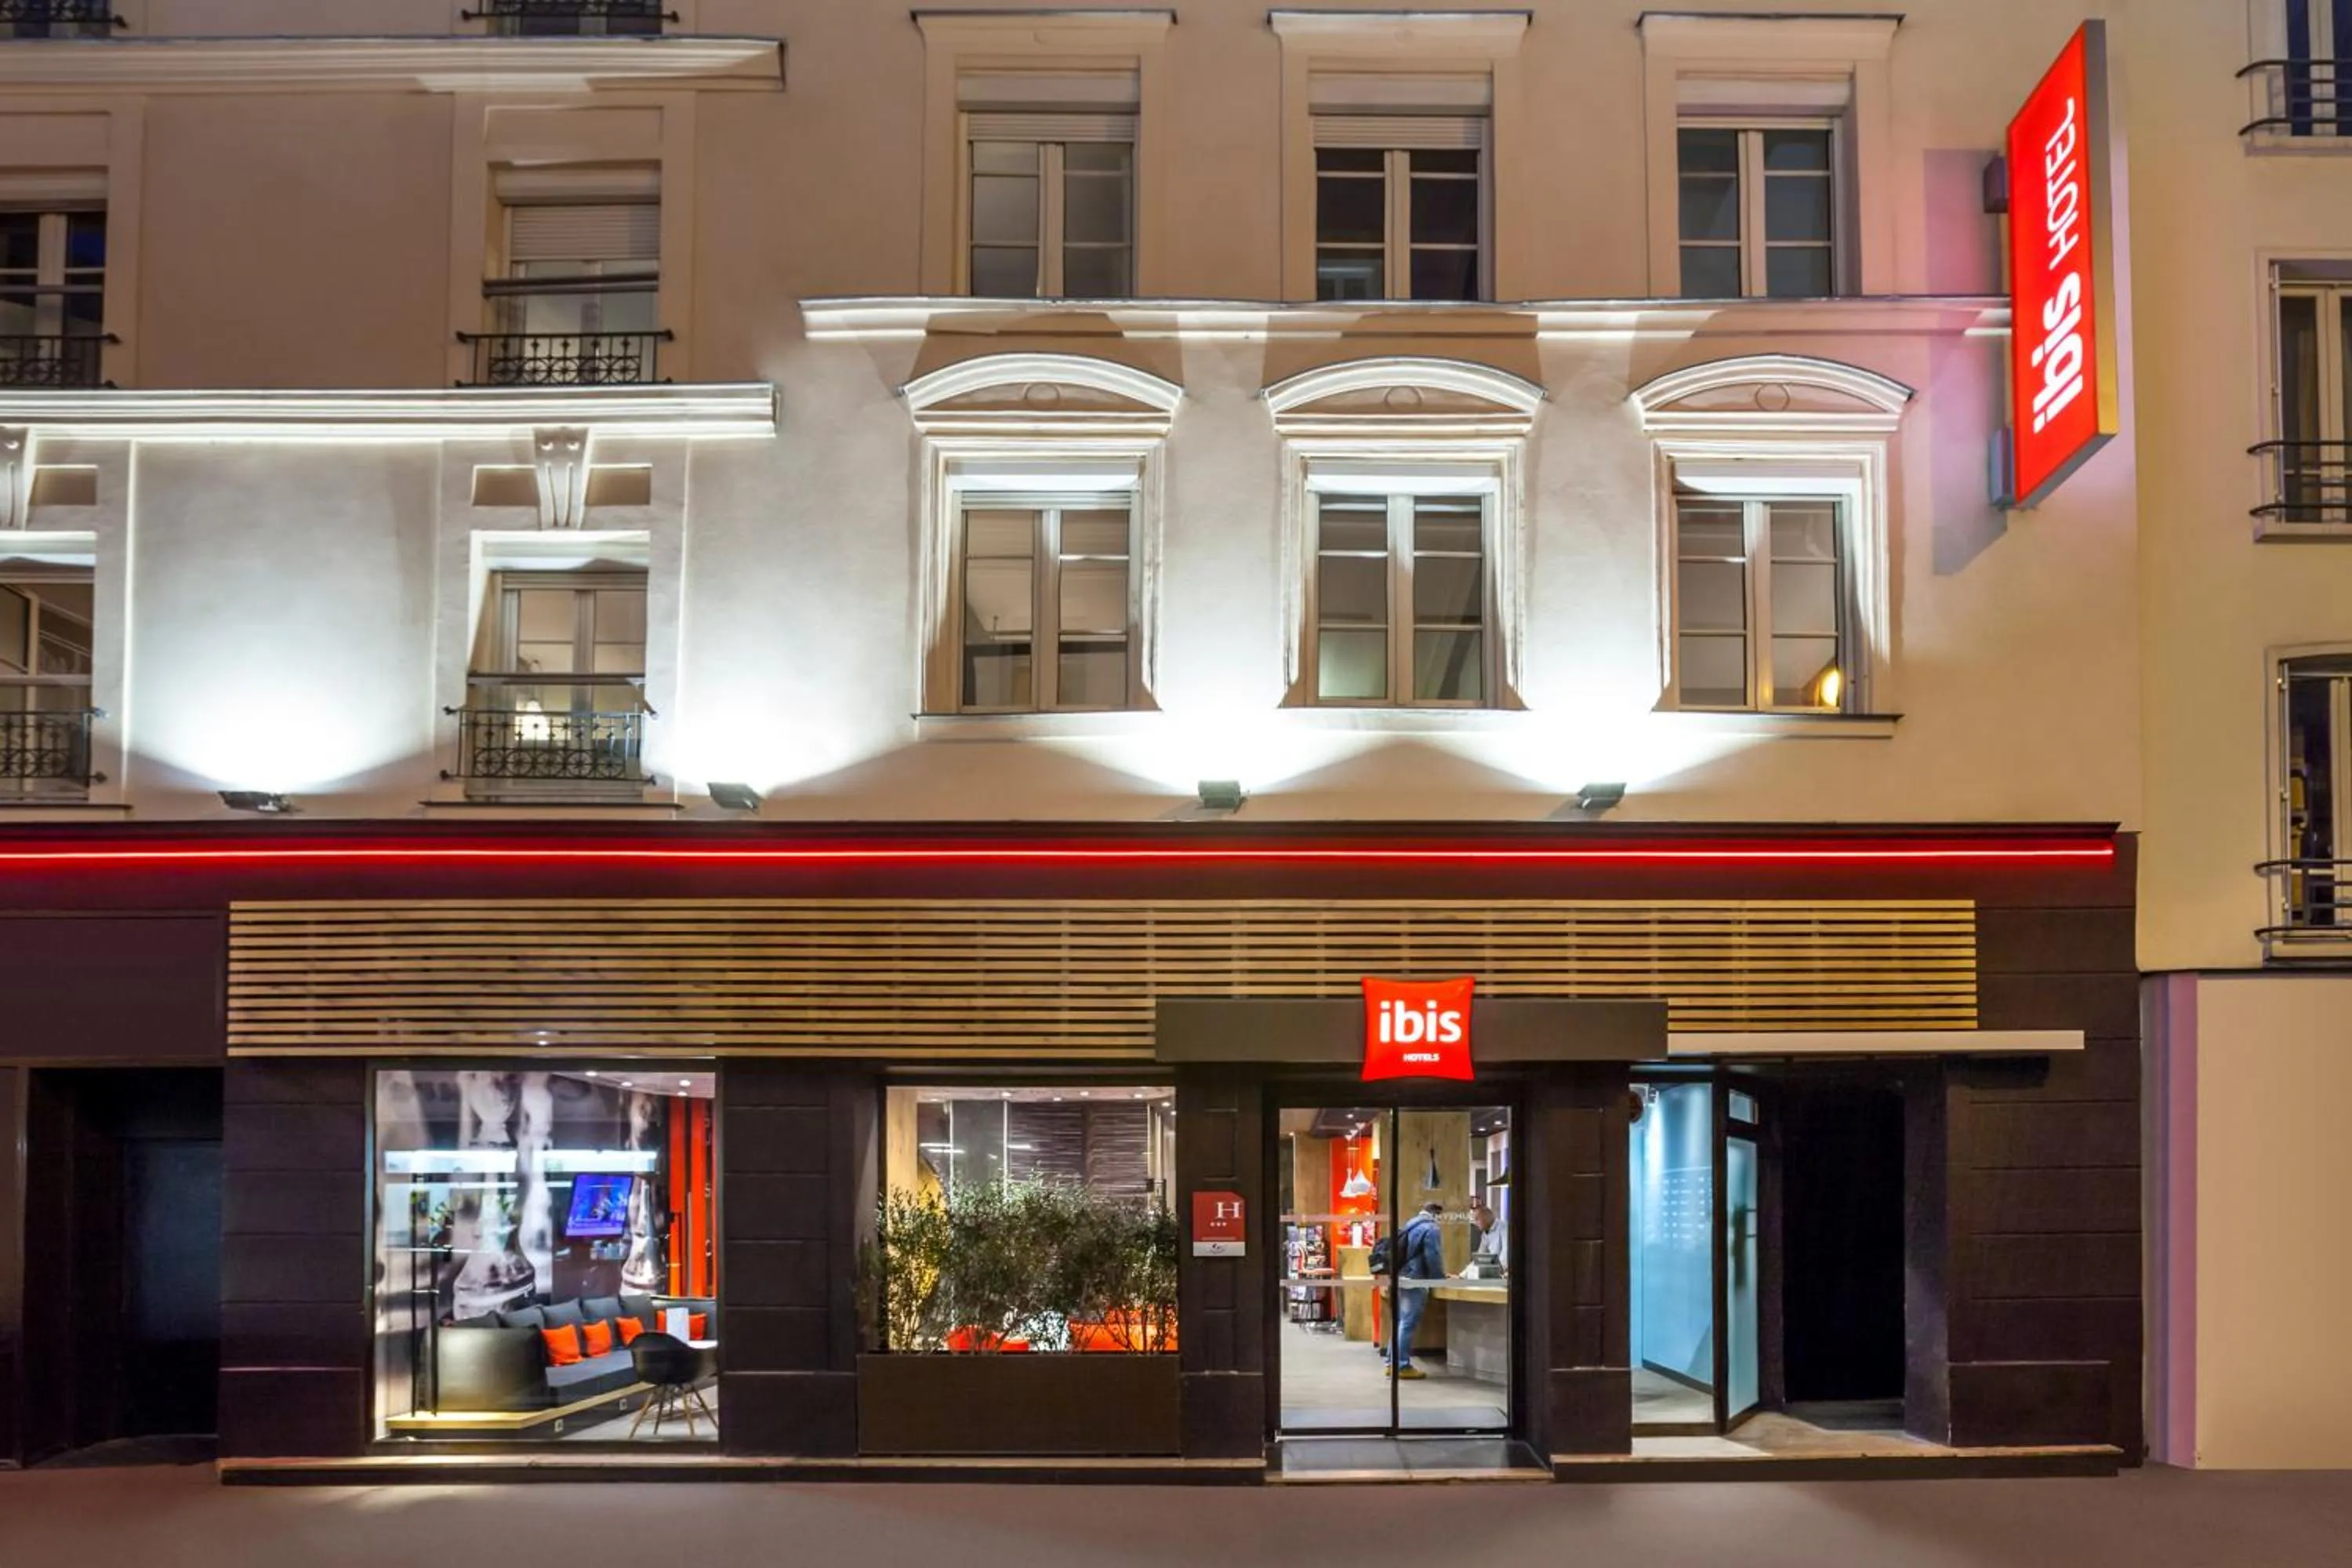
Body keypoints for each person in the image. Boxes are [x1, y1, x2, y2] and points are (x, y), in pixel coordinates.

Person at [1384, 1201, 1447, 1380]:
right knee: (1408, 1323)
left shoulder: (1411, 1224)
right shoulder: (1431, 1229)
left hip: (1401, 1276)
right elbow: (1432, 1256)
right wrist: (1439, 1279)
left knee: (1400, 1322)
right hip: (1415, 1279)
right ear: (1436, 1214)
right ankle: (1402, 1366)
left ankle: (1391, 1363)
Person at [1466, 1201, 1505, 1269]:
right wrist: (1462, 1275)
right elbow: (1480, 1258)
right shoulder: (1485, 1234)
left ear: (1486, 1217)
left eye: (1477, 1219)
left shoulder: (1503, 1228)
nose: (1476, 1223)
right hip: (1495, 1271)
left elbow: (1506, 1254)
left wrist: (1498, 1269)